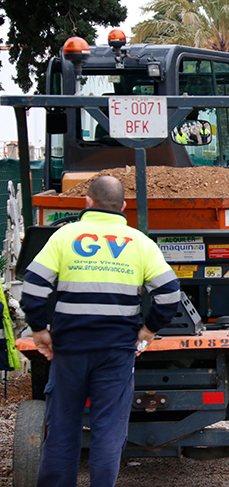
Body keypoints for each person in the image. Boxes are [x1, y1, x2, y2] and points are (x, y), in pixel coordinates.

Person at [21, 175, 180, 487]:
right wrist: (148, 330)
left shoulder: (64, 237)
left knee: (63, 429)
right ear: (122, 207)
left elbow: (34, 287)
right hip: (116, 351)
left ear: (88, 202)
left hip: (69, 349)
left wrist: (39, 330)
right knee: (108, 430)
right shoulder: (140, 243)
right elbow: (170, 294)